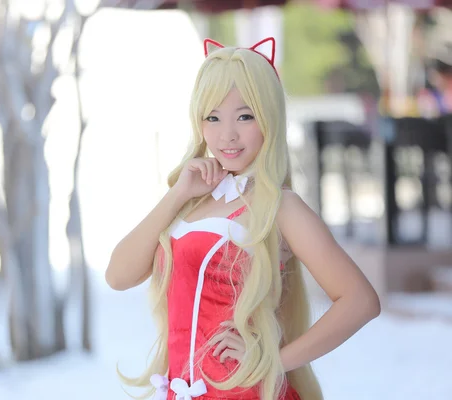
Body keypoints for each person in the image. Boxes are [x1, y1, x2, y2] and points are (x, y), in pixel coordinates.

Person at [105, 38, 381, 400]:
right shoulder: (190, 200)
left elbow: (360, 301)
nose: (227, 135)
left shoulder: (282, 206)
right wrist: (176, 196)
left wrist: (274, 361)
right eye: (213, 118)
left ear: (268, 118)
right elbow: (117, 275)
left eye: (245, 116)